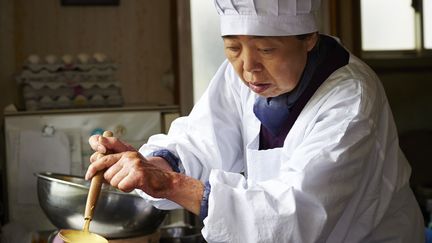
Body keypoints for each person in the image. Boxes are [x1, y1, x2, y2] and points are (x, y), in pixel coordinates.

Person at [85, 0, 425, 242]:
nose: (248, 68)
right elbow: (201, 141)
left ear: (308, 39)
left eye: (266, 50)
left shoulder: (350, 101)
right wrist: (151, 165)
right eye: (233, 48)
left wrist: (168, 183)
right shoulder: (242, 77)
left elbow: (293, 215)